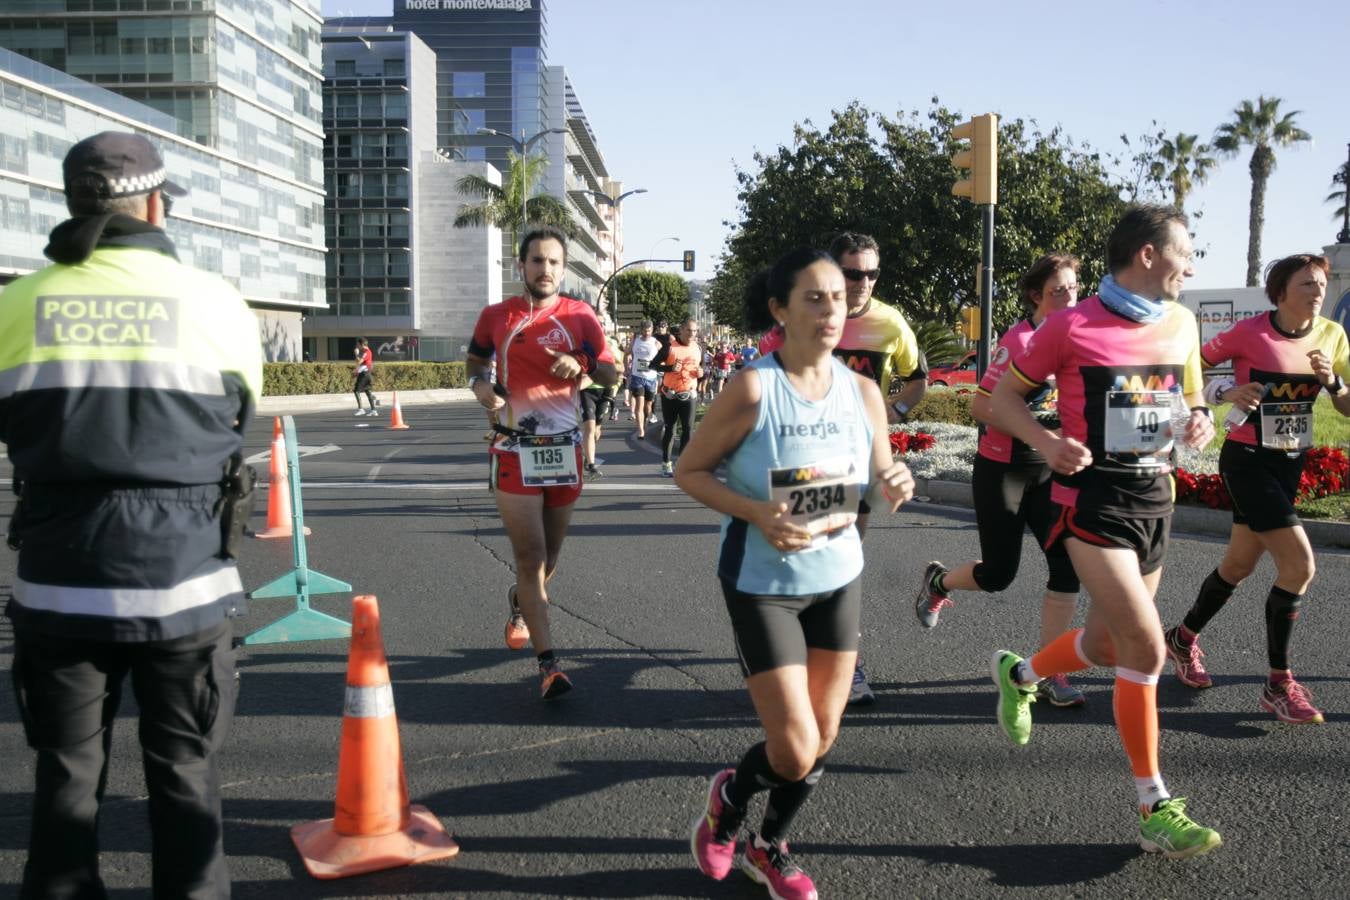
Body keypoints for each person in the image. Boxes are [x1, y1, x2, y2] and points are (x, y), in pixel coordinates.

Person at [1, 131, 263, 897]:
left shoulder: (16, 303)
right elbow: (235, 419)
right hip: (182, 587)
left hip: (57, 584)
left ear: (73, 201)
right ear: (154, 205)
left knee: (65, 783)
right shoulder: (215, 302)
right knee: (185, 780)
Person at [986, 205, 1222, 858]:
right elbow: (1002, 398)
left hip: (1157, 500)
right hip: (1090, 506)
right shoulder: (1071, 325)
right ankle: (1153, 804)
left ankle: (1023, 674)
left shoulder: (1181, 321)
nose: (1193, 264)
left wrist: (1198, 421)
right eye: (1186, 251)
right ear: (1148, 255)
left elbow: (1192, 400)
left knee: (1106, 644)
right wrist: (1046, 439)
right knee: (1145, 649)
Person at [679, 248, 914, 900]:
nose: (831, 309)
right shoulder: (753, 388)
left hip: (838, 576)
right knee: (792, 749)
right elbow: (689, 472)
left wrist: (893, 481)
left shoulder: (864, 392)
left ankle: (768, 844)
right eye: (814, 297)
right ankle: (729, 799)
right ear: (780, 309)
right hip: (763, 583)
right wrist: (756, 511)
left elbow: (874, 482)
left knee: (824, 735)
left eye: (839, 297)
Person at [1162, 253, 1350, 723]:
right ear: (1281, 291)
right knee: (1299, 565)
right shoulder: (1249, 332)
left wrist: (1333, 382)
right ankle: (1278, 685)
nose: (1318, 291)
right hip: (1246, 460)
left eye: (1321, 284)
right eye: (1307, 283)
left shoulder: (1333, 335)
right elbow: (1186, 372)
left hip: (1290, 463)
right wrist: (1224, 394)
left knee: (1239, 563)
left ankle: (1181, 639)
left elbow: (1347, 408)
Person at [759, 232, 927, 705]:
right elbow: (763, 378)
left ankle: (833, 656)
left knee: (843, 559)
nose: (862, 282)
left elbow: (918, 379)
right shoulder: (801, 316)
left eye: (871, 273)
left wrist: (895, 412)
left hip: (859, 461)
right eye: (852, 273)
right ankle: (823, 652)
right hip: (805, 460)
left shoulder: (891, 324)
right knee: (812, 560)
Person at [915, 254, 1087, 707]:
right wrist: (1044, 434)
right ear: (1036, 296)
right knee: (998, 575)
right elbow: (980, 407)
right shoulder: (1021, 340)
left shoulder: (1079, 338)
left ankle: (1052, 671)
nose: (1070, 297)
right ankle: (939, 584)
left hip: (1053, 471)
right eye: (1059, 291)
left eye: (1074, 288)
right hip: (1005, 469)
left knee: (1066, 568)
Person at [465, 225, 618, 699]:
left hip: (565, 450)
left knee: (548, 560)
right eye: (537, 261)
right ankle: (549, 665)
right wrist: (480, 388)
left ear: (563, 267)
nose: (545, 269)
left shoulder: (581, 316)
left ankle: (519, 602)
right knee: (529, 557)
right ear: (521, 266)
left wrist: (584, 364)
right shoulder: (497, 316)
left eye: (554, 262)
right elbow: (475, 363)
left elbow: (612, 371)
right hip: (514, 448)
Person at [652, 318, 704, 476]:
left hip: (689, 393)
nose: (692, 334)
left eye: (694, 331)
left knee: (688, 430)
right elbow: (652, 365)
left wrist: (701, 373)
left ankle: (682, 464)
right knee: (670, 429)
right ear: (681, 331)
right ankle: (666, 464)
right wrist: (670, 367)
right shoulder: (670, 347)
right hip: (670, 395)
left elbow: (699, 368)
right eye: (689, 330)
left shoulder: (697, 347)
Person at [628, 319, 661, 439]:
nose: (647, 333)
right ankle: (641, 430)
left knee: (648, 406)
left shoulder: (656, 343)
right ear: (641, 330)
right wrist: (627, 368)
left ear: (652, 330)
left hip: (651, 377)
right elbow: (626, 353)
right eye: (645, 330)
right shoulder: (635, 341)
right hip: (637, 377)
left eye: (649, 330)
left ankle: (645, 421)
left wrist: (657, 365)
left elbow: (662, 357)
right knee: (639, 405)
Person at [353, 336, 378, 416]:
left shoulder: (366, 352)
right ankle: (374, 410)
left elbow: (359, 361)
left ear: (362, 344)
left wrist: (356, 354)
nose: (357, 346)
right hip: (367, 374)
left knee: (356, 391)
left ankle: (361, 409)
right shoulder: (365, 352)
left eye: (358, 345)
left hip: (365, 374)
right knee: (368, 391)